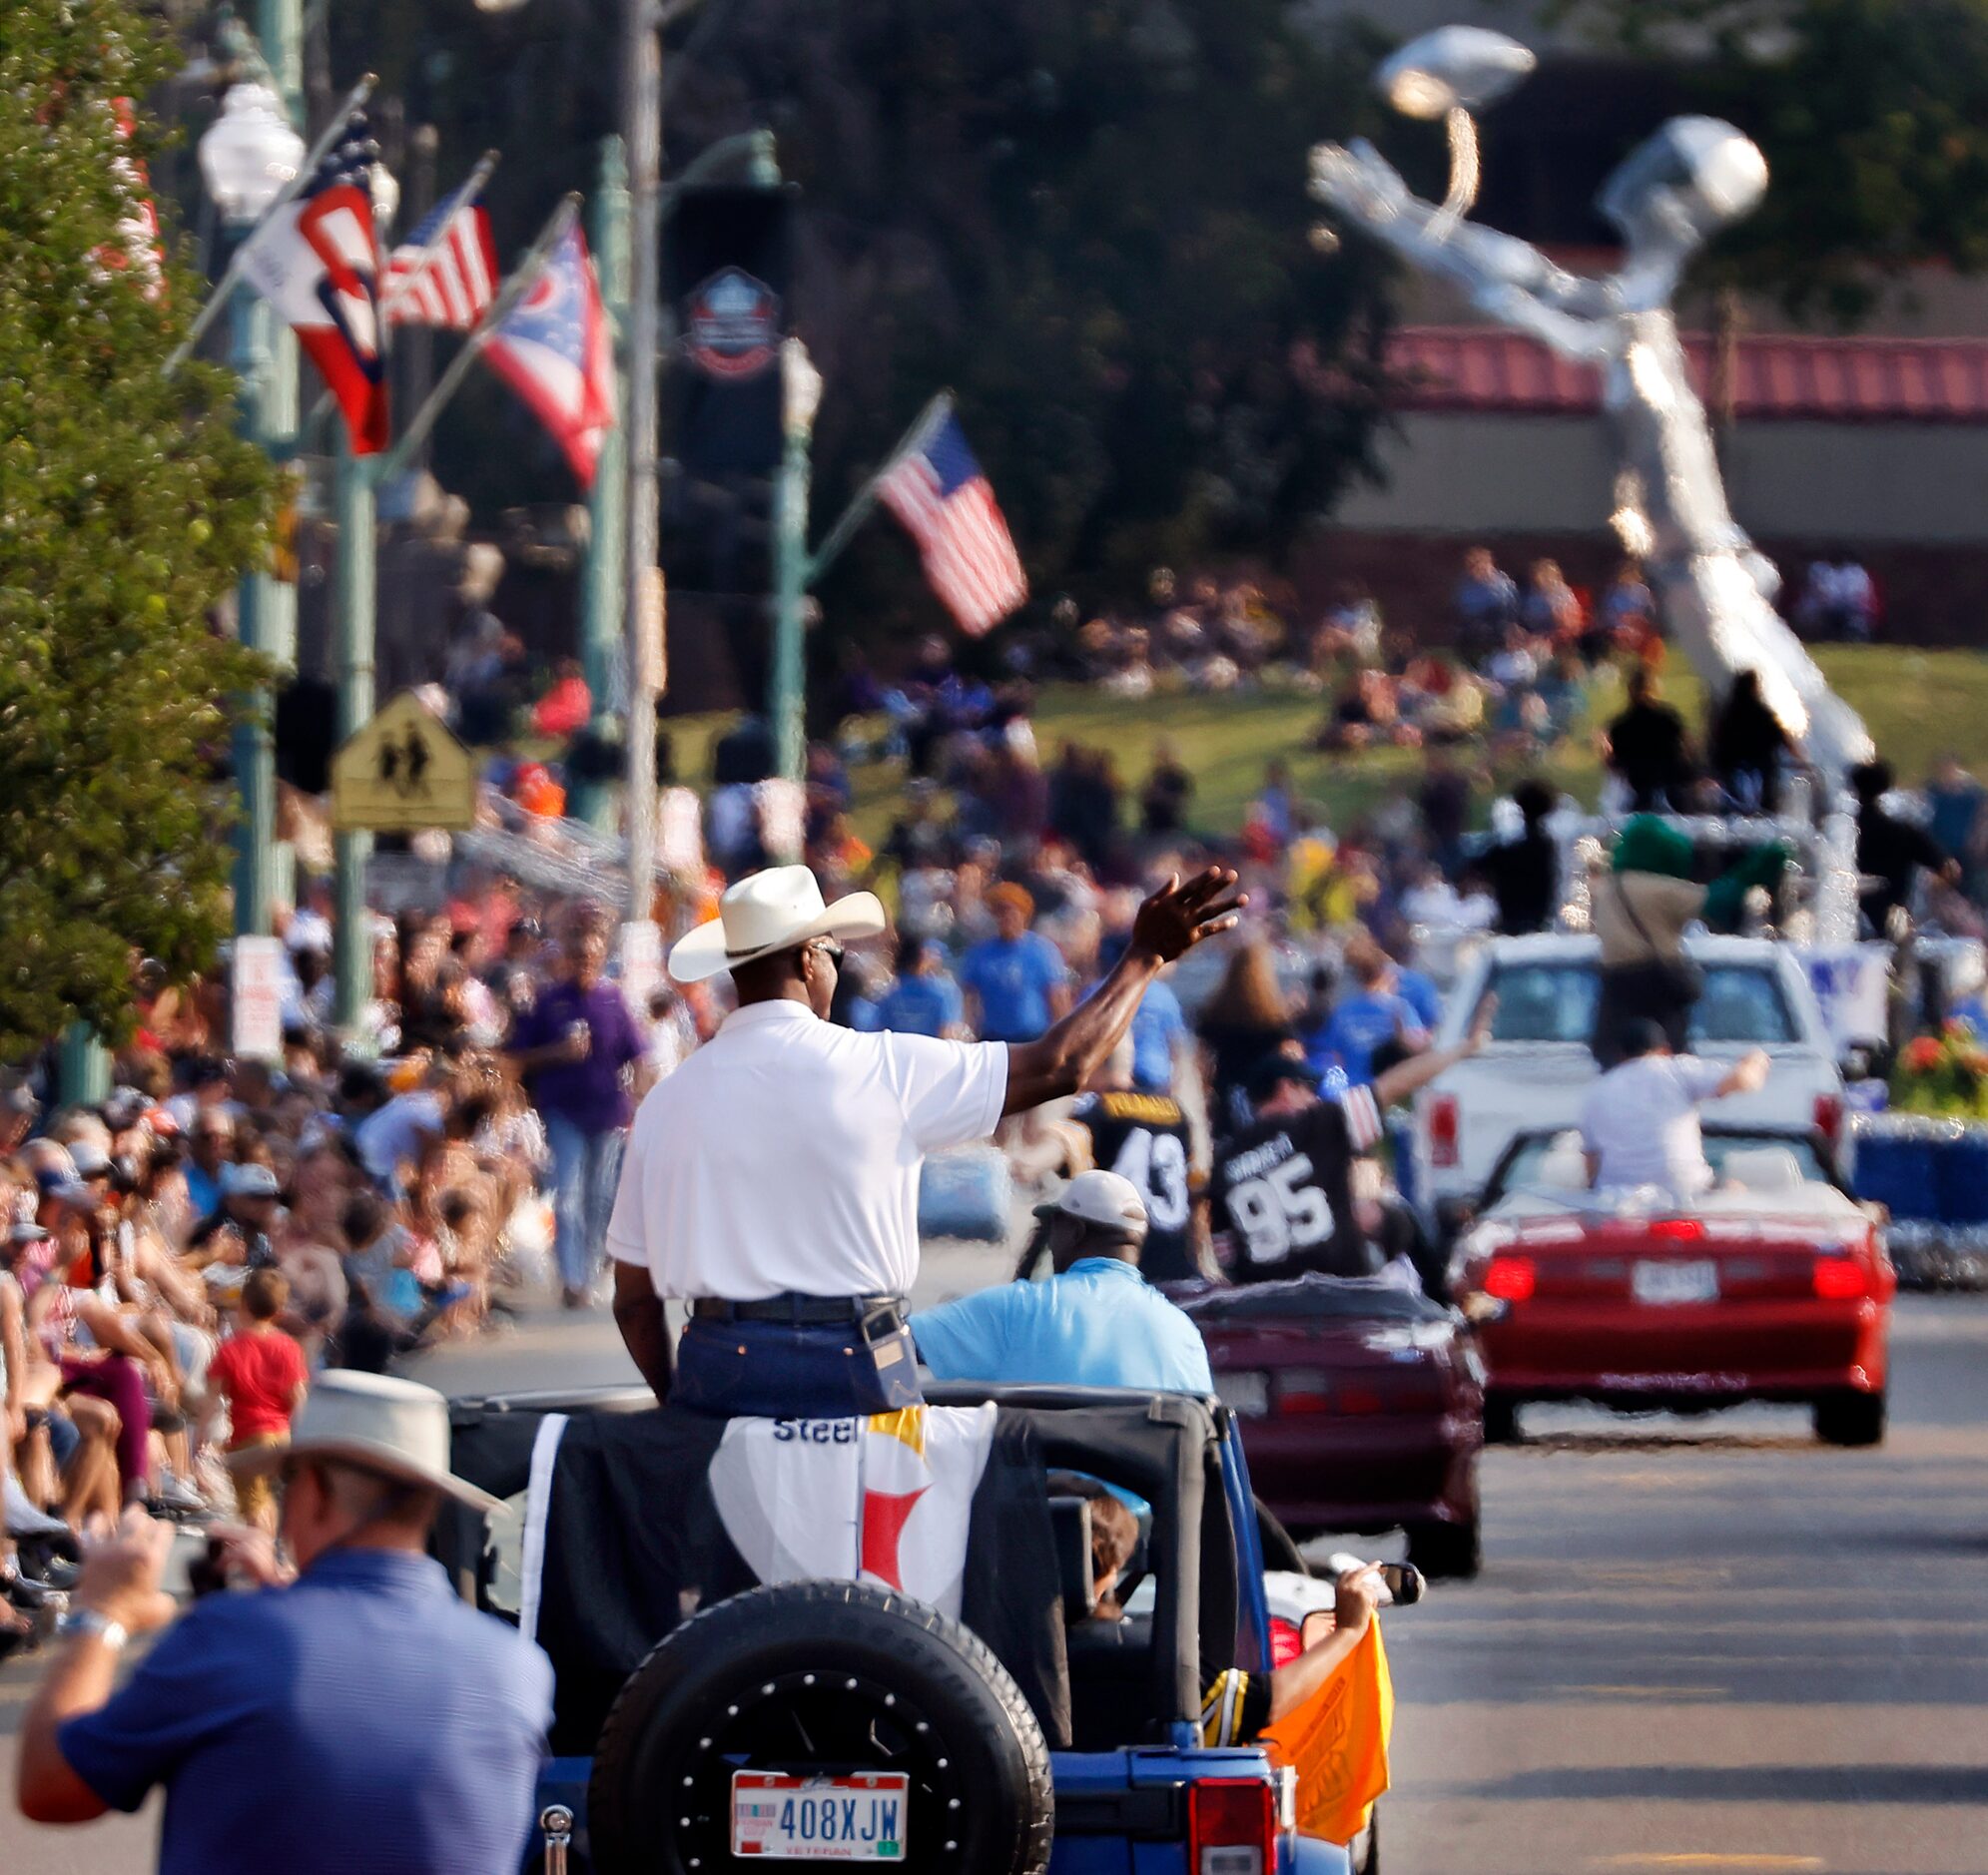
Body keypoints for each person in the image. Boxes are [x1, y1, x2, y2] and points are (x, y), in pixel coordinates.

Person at [608, 864, 1243, 1419]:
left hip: (719, 1368)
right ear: (807, 960)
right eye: (834, 952)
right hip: (857, 1362)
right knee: (875, 1553)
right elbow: (1062, 1066)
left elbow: (635, 1303)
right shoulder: (882, 1067)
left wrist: (676, 1407)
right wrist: (1144, 959)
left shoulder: (666, 1103)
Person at [15, 1373, 552, 1875]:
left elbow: (48, 1787)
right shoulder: (516, 1665)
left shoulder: (229, 1638)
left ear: (312, 1488)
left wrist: (101, 1614)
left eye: (286, 1482)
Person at [1076, 1485, 1387, 1744]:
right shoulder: (1161, 1657)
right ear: (1116, 1564)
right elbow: (1268, 1703)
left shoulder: (1030, 1652)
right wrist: (1348, 1631)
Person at [914, 1171, 1211, 1390]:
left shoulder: (1019, 1310)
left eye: (1054, 1227)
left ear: (1074, 1231)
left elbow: (892, 1345)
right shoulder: (1183, 1333)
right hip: (1146, 1478)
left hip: (1043, 1476)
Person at [506, 901, 644, 1308]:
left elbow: (636, 1054)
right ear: (567, 958)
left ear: (601, 958)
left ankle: (591, 1267)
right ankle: (572, 1279)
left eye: (591, 956)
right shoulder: (548, 1002)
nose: (584, 962)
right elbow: (515, 1056)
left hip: (606, 1112)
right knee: (566, 1195)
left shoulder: (612, 1001)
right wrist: (557, 1052)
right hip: (563, 1110)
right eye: (578, 955)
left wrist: (643, 1095)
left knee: (599, 1197)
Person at [1208, 1056, 1374, 1282]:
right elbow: (1381, 1095)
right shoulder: (1313, 1127)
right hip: (1341, 1292)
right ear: (1286, 1088)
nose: (1314, 1098)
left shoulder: (1223, 1159)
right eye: (1308, 1088)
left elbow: (1224, 1251)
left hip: (1268, 1303)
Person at [1580, 1021, 1770, 1196]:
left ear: (1621, 1055)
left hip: (1617, 1198)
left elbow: (1591, 1164)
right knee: (1736, 1191)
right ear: (1665, 1050)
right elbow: (1742, 1080)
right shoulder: (1677, 1069)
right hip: (1687, 1191)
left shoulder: (1599, 1091)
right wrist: (1756, 1060)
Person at [1065, 1047, 1197, 1282]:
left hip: (1123, 1257)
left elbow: (1066, 1160)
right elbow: (1193, 1184)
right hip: (1177, 1258)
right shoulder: (1175, 1109)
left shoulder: (1096, 1107)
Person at [198, 1268, 308, 1535]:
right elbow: (298, 1397)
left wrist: (199, 1439)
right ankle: (270, 1551)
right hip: (281, 1438)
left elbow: (212, 1401)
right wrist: (303, 1435)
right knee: (267, 1499)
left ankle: (262, 1555)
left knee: (253, 1506)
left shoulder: (230, 1350)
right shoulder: (289, 1347)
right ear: (280, 1311)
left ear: (243, 1303)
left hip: (248, 1438)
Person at [1852, 759, 1959, 938]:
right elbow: (1949, 869)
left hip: (1847, 922)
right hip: (1891, 925)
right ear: (1887, 787)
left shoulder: (1842, 829)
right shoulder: (1903, 831)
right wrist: (1929, 900)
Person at [1307, 936, 1429, 1089]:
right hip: (1392, 1091)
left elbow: (1335, 1057)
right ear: (1383, 974)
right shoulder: (1401, 1009)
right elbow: (1418, 1047)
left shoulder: (1343, 1013)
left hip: (1356, 1095)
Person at [958, 883, 1072, 1043]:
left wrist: (1062, 1038)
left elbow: (1058, 996)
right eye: (1000, 912)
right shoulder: (980, 953)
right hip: (993, 1039)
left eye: (1011, 911)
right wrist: (968, 1034)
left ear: (1024, 914)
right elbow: (969, 998)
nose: (1006, 917)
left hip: (1033, 1038)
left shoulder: (1042, 950)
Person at [1480, 778, 1561, 936]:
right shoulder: (1546, 845)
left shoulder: (1507, 846)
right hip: (1538, 921)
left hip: (1509, 921)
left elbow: (1484, 863)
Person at [1605, 667, 1691, 813]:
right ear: (1655, 689)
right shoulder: (1668, 718)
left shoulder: (1620, 725)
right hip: (1671, 786)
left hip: (1637, 788)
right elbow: (1686, 749)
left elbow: (1615, 763)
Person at [1707, 669, 1791, 815]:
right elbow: (1784, 741)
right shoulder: (1764, 715)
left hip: (1731, 772)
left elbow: (1716, 743)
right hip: (1762, 774)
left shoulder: (1727, 715)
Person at [870, 937, 967, 1039]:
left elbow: (879, 1028)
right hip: (930, 1050)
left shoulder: (890, 997)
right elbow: (946, 1031)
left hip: (898, 1050)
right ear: (921, 958)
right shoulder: (942, 993)